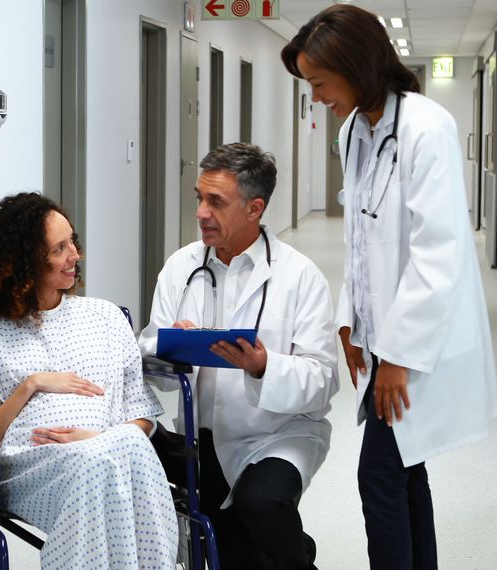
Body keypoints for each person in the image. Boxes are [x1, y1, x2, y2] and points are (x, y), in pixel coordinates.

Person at [281, 5, 497, 569]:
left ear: (353, 66)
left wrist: (398, 358)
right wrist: (349, 321)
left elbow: (437, 251)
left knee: (378, 473)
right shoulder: (355, 129)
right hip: (383, 334)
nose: (318, 97)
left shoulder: (428, 127)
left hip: (420, 340)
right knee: (406, 467)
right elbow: (359, 234)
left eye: (320, 83)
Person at [139, 142, 337, 569]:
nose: (201, 213)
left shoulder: (300, 278)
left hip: (280, 434)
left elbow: (322, 381)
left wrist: (264, 366)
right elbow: (148, 351)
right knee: (229, 554)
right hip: (204, 438)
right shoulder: (181, 267)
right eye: (199, 198)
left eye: (216, 202)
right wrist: (170, 344)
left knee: (261, 502)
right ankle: (291, 548)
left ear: (254, 208)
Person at [0, 192, 179, 570]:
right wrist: (30, 386)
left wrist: (100, 440)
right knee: (104, 460)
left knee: (124, 445)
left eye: (72, 241)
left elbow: (143, 417)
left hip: (109, 456)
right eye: (60, 248)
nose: (76, 255)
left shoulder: (106, 318)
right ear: (24, 263)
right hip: (28, 469)